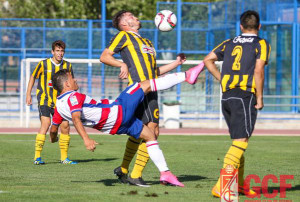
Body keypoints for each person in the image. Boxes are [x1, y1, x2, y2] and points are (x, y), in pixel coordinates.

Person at [49, 64, 203, 187]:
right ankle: (187, 76)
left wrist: (53, 139)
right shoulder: (73, 96)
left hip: (114, 127)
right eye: (73, 78)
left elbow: (54, 129)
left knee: (150, 135)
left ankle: (165, 173)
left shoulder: (59, 107)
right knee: (143, 85)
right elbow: (76, 118)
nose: (76, 80)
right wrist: (86, 139)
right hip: (118, 111)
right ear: (67, 83)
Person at [100, 10, 190, 187]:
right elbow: (104, 56)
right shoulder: (123, 35)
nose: (135, 17)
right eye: (131, 16)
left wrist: (176, 63)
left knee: (141, 132)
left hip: (152, 90)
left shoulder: (147, 42)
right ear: (124, 23)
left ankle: (124, 170)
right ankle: (136, 174)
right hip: (139, 90)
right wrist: (122, 63)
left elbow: (154, 72)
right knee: (152, 132)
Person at [203, 10, 271, 198]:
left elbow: (207, 60)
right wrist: (259, 98)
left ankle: (239, 185)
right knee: (241, 141)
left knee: (238, 140)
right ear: (259, 26)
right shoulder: (261, 43)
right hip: (244, 95)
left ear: (241, 26)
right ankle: (221, 184)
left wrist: (221, 79)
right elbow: (259, 70)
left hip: (226, 96)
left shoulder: (229, 42)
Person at [26, 40, 77, 165]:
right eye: (57, 51)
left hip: (61, 102)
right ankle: (37, 157)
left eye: (62, 51)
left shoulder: (68, 66)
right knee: (46, 123)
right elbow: (33, 76)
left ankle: (64, 158)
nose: (60, 53)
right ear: (52, 52)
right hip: (45, 99)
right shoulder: (43, 64)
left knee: (65, 127)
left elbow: (71, 82)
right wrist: (28, 94)